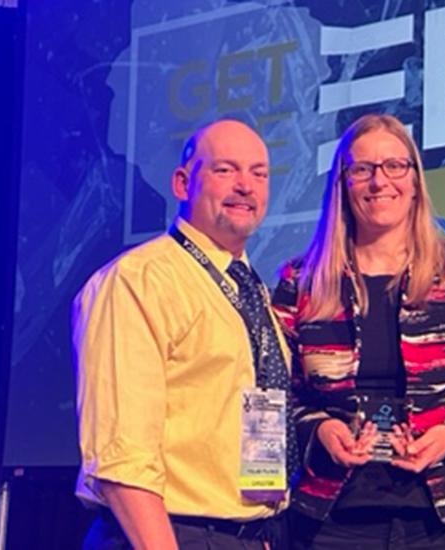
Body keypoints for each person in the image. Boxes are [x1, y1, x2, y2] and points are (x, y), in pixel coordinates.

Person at [270, 113, 445, 549]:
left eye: (394, 166)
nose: (380, 181)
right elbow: (279, 395)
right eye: (362, 169)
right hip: (332, 521)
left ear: (415, 181)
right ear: (343, 184)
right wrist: (320, 429)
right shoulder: (300, 281)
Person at [73, 119, 293, 549]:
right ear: (181, 183)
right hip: (168, 534)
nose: (246, 186)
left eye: (259, 173)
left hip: (244, 534)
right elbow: (122, 456)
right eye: (225, 170)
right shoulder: (139, 280)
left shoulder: (248, 288)